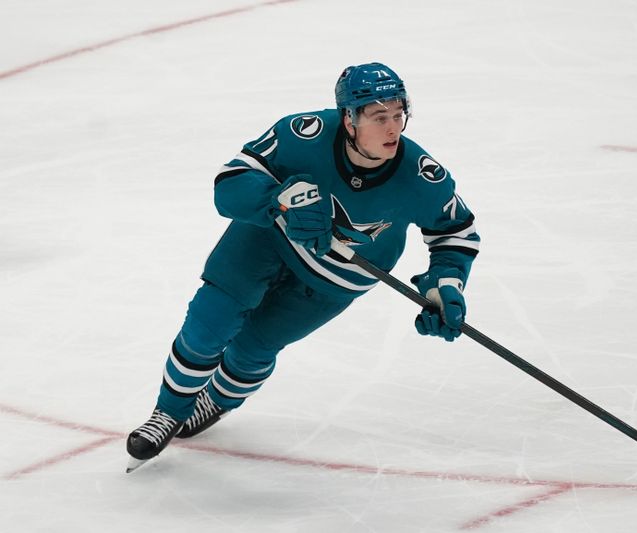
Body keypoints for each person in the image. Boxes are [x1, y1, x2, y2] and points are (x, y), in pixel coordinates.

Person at [125, 62, 481, 471]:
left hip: (335, 280)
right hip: (267, 241)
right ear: (348, 118)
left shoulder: (421, 176)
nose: (392, 129)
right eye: (378, 117)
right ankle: (168, 412)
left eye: (398, 115)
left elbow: (455, 233)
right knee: (209, 324)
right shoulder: (302, 135)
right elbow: (230, 186)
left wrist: (445, 284)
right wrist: (280, 198)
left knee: (253, 349)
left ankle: (215, 400)